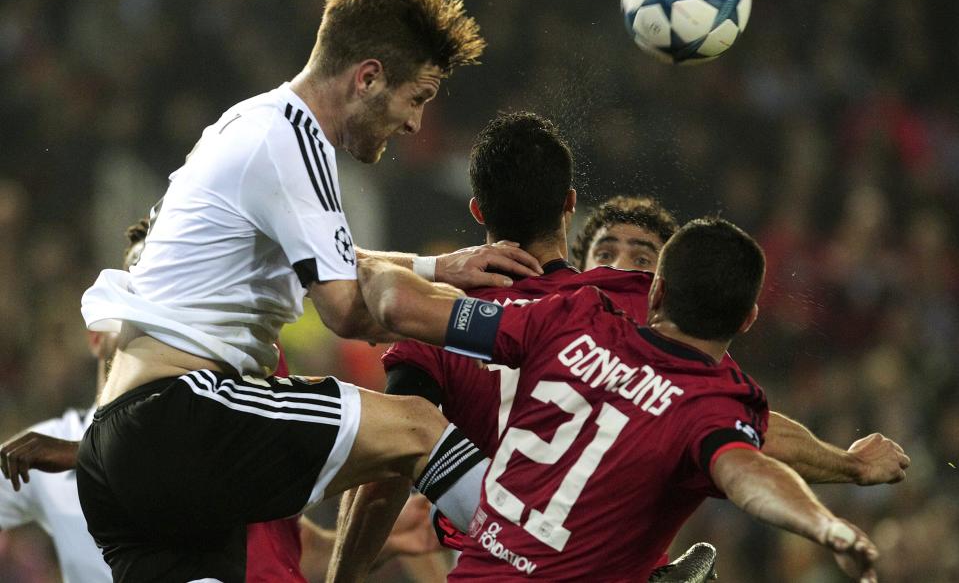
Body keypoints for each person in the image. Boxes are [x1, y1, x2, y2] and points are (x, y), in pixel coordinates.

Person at [75, 0, 540, 583]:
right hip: (179, 417)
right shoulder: (293, 138)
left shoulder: (249, 125)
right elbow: (345, 310)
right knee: (416, 428)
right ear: (368, 77)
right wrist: (473, 320)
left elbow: (328, 259)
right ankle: (571, 565)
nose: (416, 125)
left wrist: (434, 266)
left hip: (120, 448)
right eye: (418, 97)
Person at [328, 113, 907, 581]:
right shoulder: (602, 311)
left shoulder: (480, 323)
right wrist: (847, 467)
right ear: (570, 208)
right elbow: (743, 434)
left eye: (642, 256)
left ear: (477, 211)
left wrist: (403, 266)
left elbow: (385, 467)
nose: (627, 264)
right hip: (562, 549)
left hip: (491, 550)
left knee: (409, 426)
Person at [0, 219, 443, 582]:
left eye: (177, 285)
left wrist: (377, 539)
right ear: (99, 332)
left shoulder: (246, 385)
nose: (167, 307)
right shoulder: (44, 453)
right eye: (146, 290)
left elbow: (283, 548)